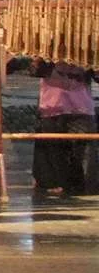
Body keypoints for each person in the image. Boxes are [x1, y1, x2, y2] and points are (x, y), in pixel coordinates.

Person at [29, 58, 95, 195]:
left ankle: (74, 184)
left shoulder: (86, 52)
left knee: (78, 151)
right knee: (53, 149)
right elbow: (36, 71)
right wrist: (39, 60)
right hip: (51, 107)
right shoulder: (47, 53)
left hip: (80, 108)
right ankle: (56, 182)